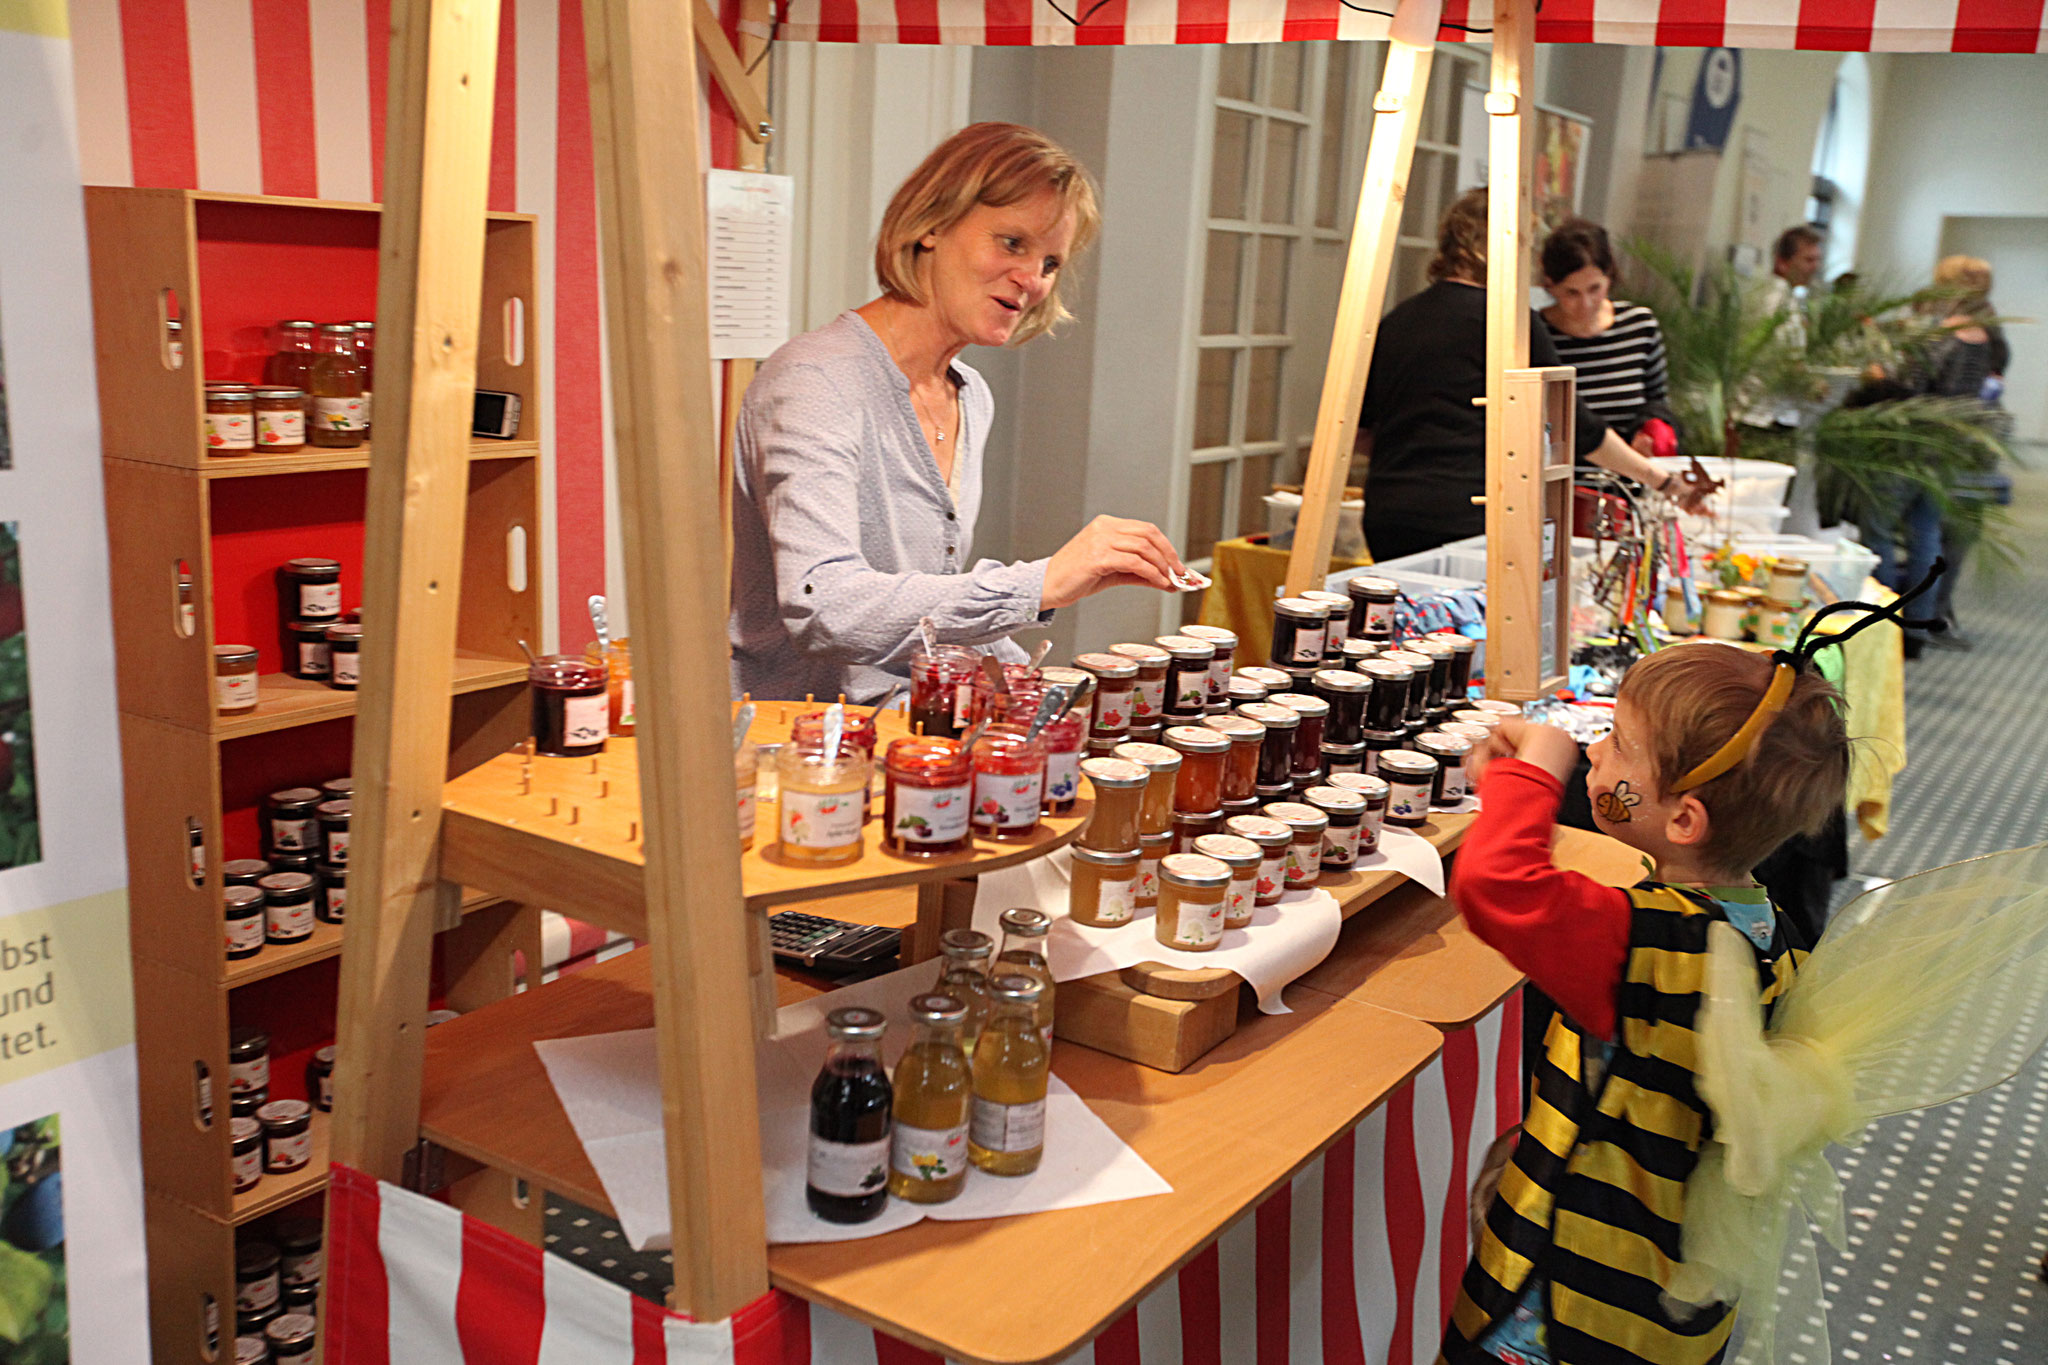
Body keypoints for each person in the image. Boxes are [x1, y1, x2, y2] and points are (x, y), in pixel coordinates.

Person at [1440, 639, 1851, 1365]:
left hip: (1561, 1315)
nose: (1597, 753)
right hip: (1669, 1315)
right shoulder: (1776, 938)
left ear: (1686, 819)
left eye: (1620, 745)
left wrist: (1536, 765)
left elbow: (1496, 885)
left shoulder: (1642, 944)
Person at [729, 123, 1190, 702]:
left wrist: (1033, 683)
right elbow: (826, 605)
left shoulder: (969, 393)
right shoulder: (815, 380)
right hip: (804, 750)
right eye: (1012, 243)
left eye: (1050, 262)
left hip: (915, 731)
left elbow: (928, 604)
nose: (1032, 280)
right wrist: (1040, 584)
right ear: (930, 225)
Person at [1357, 189, 1706, 563]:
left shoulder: (1397, 322)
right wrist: (1664, 482)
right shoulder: (1510, 323)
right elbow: (1576, 428)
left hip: (1388, 512)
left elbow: (1363, 436)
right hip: (1467, 515)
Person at [1539, 219, 1678, 458]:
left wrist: (1651, 431)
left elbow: (1657, 400)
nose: (1586, 304)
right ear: (1550, 286)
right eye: (1572, 293)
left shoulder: (1639, 325)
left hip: (1629, 476)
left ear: (1609, 277)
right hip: (1562, 478)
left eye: (1595, 289)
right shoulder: (1539, 333)